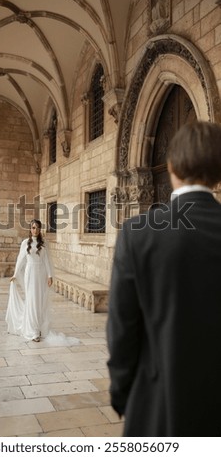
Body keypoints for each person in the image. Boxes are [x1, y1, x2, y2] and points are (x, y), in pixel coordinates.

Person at [107, 120, 221, 436]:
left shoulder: (138, 233)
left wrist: (122, 394)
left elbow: (122, 329)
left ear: (171, 166)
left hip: (158, 407)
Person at [6, 219, 53, 342]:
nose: (35, 230)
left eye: (37, 228)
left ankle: (38, 327)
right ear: (30, 229)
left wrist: (49, 275)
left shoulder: (43, 244)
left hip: (40, 273)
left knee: (39, 301)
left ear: (40, 229)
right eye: (33, 227)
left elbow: (46, 260)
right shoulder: (25, 243)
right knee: (31, 300)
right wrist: (15, 274)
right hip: (30, 273)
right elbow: (20, 259)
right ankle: (33, 331)